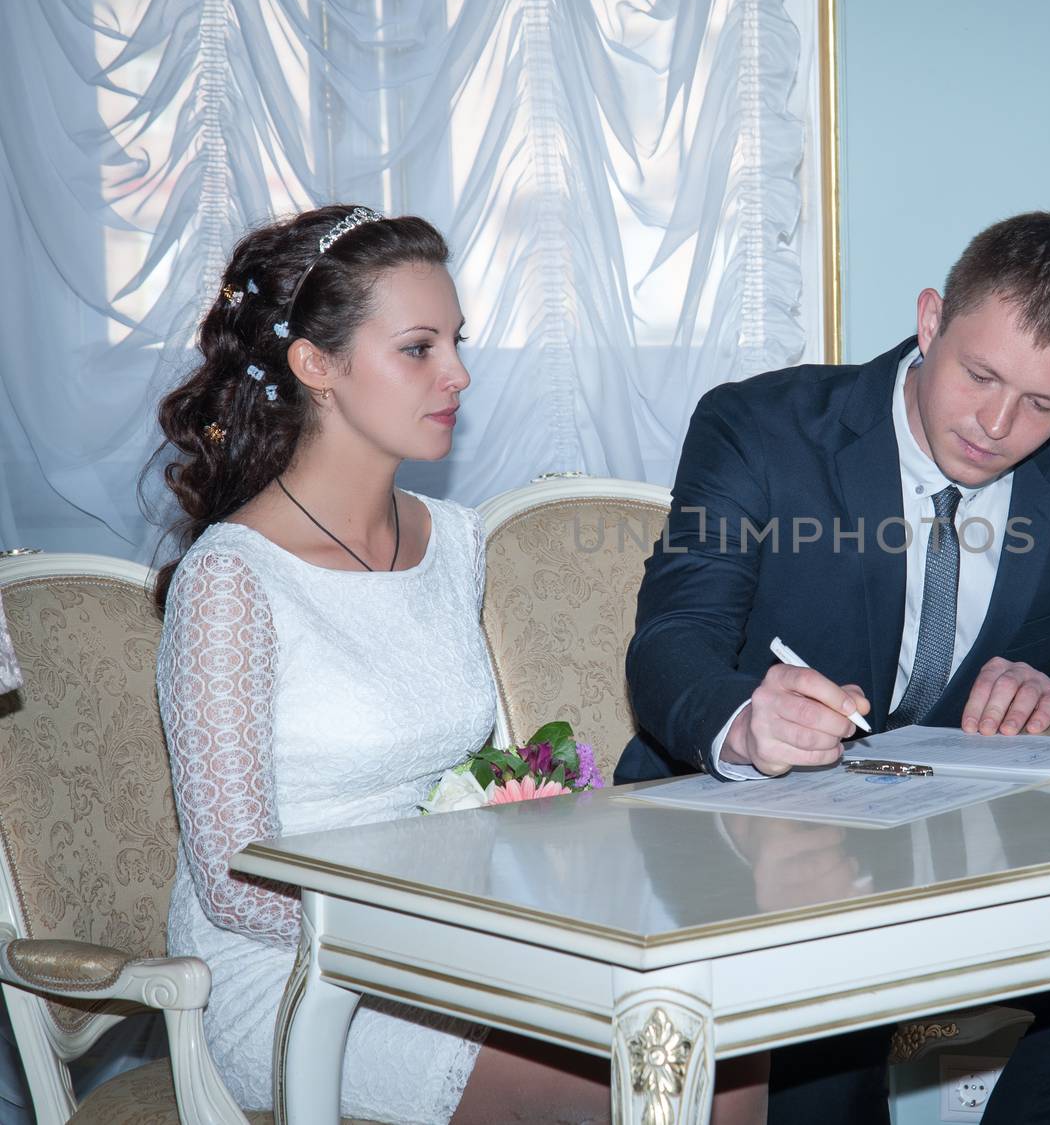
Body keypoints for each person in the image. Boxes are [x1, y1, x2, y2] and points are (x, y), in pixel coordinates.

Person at [152, 205, 767, 1124]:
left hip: (446, 942)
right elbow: (235, 882)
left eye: (458, 341)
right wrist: (449, 934)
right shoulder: (230, 581)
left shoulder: (455, 541)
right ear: (315, 366)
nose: (459, 374)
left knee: (731, 1050)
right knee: (658, 1069)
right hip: (290, 978)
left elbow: (466, 778)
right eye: (419, 348)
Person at [619, 211, 1050, 1125]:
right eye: (980, 375)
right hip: (743, 844)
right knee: (823, 1032)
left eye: (1044, 403)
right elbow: (671, 639)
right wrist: (743, 720)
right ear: (929, 322)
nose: (997, 425)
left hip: (960, 857)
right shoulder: (761, 427)